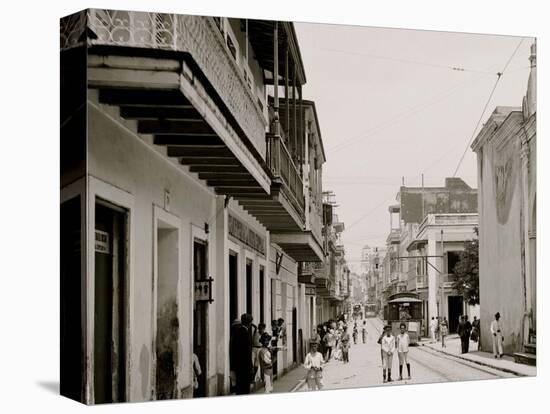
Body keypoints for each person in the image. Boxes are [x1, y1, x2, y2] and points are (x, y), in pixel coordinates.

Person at [229, 313, 253, 394]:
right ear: (249, 323)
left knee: (239, 387)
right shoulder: (245, 333)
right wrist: (250, 366)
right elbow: (247, 352)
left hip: (237, 365)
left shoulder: (237, 332)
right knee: (245, 388)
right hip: (244, 366)